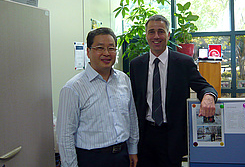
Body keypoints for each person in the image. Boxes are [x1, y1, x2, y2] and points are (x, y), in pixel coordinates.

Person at [130, 15, 218, 167]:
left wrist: (209, 96)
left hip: (171, 137)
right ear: (146, 35)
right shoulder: (136, 65)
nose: (156, 36)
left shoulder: (183, 63)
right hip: (145, 137)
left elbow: (205, 86)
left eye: (160, 31)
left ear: (168, 34)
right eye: (151, 32)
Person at [57, 27, 139, 167]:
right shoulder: (73, 88)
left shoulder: (124, 80)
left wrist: (133, 149)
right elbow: (65, 136)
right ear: (88, 52)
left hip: (122, 156)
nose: (106, 53)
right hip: (92, 159)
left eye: (111, 48)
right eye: (100, 48)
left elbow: (131, 117)